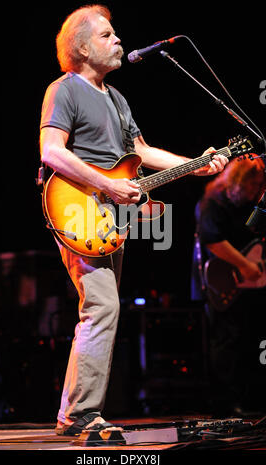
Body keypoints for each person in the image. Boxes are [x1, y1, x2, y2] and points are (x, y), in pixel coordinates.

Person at [39, 5, 228, 435]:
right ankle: (80, 414)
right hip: (80, 206)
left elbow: (140, 152)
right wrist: (105, 186)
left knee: (101, 308)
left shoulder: (117, 98)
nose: (119, 40)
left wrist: (196, 164)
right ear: (82, 48)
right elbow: (51, 151)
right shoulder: (64, 89)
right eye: (107, 35)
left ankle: (74, 413)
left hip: (110, 215)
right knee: (102, 305)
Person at [192, 156, 266, 415]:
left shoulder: (249, 204)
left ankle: (250, 401)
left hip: (251, 285)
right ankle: (225, 404)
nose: (258, 189)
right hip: (220, 281)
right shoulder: (214, 201)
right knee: (226, 340)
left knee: (250, 339)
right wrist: (245, 265)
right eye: (255, 183)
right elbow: (212, 240)